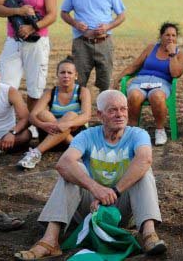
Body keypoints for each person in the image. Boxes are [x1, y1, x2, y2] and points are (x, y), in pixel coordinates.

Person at [14, 90, 166, 260]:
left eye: (123, 109)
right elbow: (63, 163)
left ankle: (149, 234)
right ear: (99, 115)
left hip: (124, 208)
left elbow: (145, 159)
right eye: (113, 110)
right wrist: (96, 189)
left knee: (144, 172)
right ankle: (50, 241)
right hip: (91, 207)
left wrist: (114, 192)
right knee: (71, 171)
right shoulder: (87, 135)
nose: (120, 114)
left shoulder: (138, 134)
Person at [0, 0, 57, 132]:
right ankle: (4, 128)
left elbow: (52, 15)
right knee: (5, 84)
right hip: (13, 41)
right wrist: (19, 11)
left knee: (35, 87)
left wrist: (33, 27)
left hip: (37, 42)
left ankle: (33, 129)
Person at [113, 22, 183, 145]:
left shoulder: (180, 54)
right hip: (141, 81)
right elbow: (135, 65)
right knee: (134, 96)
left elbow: (175, 74)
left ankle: (160, 130)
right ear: (161, 36)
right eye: (167, 35)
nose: (170, 38)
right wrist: (118, 78)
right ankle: (133, 130)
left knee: (156, 96)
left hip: (162, 83)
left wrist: (172, 53)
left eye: (173, 35)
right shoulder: (151, 48)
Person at [61, 0, 126, 92]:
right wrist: (76, 23)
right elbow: (64, 13)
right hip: (82, 43)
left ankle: (103, 110)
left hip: (104, 42)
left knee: (105, 81)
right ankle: (77, 110)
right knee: (78, 81)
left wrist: (107, 27)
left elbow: (122, 16)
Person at [17, 56, 91, 169]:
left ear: (76, 75)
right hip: (50, 133)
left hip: (76, 134)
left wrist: (68, 124)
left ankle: (36, 152)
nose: (66, 75)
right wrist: (43, 125)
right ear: (57, 75)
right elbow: (32, 116)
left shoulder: (83, 91)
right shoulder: (50, 93)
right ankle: (79, 148)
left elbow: (86, 116)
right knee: (42, 114)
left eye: (69, 73)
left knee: (71, 115)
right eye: (62, 72)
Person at [0, 63, 31, 157]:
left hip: (7, 134)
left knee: (26, 134)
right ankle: (1, 148)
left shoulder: (9, 91)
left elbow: (25, 117)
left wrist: (12, 132)